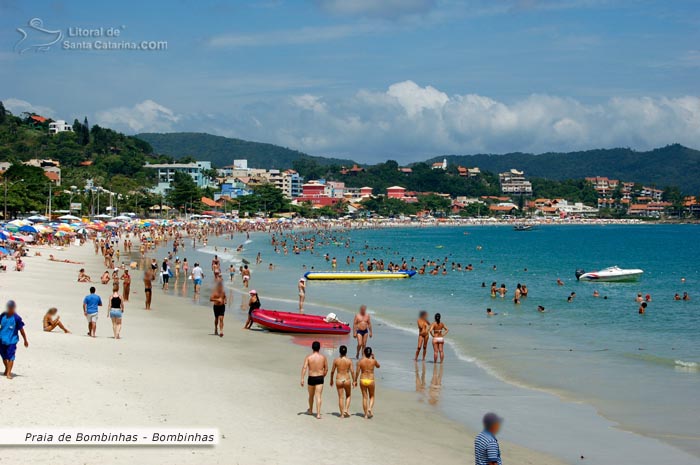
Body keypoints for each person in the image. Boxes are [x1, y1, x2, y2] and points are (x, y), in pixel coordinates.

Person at [0, 300, 28, 379]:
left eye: (11, 307)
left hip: (12, 340)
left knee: (11, 356)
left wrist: (25, 340)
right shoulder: (2, 315)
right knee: (3, 356)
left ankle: (9, 373)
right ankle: (7, 368)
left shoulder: (16, 318)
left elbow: (21, 330)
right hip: (1, 339)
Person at [300, 341, 328, 419]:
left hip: (311, 378)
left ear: (312, 347)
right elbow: (326, 369)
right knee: (318, 396)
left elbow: (304, 368)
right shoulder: (323, 357)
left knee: (311, 396)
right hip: (320, 377)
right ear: (319, 348)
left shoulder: (309, 357)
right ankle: (318, 414)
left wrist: (302, 378)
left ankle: (311, 410)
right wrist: (323, 376)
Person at [354, 346, 380, 419]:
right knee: (372, 396)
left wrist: (355, 380)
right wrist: (374, 358)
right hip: (371, 380)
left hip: (363, 379)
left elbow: (357, 372)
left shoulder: (360, 361)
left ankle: (365, 415)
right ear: (371, 353)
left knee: (365, 397)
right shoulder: (373, 361)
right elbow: (378, 366)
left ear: (364, 353)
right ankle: (370, 408)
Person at [330, 345, 354, 418]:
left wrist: (331, 380)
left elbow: (332, 371)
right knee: (348, 395)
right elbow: (352, 372)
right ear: (346, 352)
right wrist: (354, 381)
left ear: (339, 351)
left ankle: (341, 414)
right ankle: (346, 409)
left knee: (341, 397)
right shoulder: (349, 360)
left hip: (339, 379)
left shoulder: (336, 360)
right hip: (347, 379)